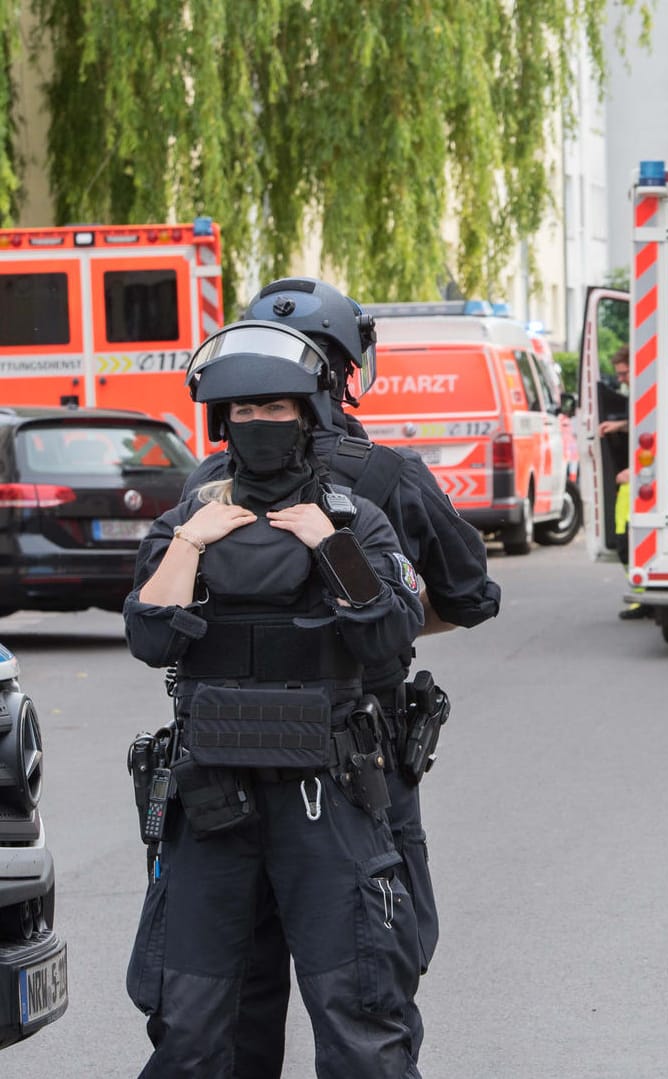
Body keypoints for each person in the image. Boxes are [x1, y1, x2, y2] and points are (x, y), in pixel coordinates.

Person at [181, 278, 501, 1074]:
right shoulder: (385, 474)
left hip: (223, 770)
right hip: (358, 765)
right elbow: (468, 596)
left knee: (225, 998)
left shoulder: (202, 485)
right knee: (368, 982)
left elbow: (165, 619)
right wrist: (364, 641)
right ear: (346, 369)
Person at [124, 320, 425, 1077]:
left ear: (309, 413)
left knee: (360, 1012)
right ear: (223, 422)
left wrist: (330, 544)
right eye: (243, 413)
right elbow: (150, 634)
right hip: (214, 794)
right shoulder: (188, 518)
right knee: (192, 1024)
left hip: (325, 792)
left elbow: (388, 632)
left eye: (276, 409)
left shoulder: (355, 517)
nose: (258, 425)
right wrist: (193, 543)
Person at [598, 346, 646, 620]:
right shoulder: (638, 392)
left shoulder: (646, 390)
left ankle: (642, 598)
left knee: (626, 540)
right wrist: (619, 426)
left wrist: (634, 470)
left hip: (634, 480)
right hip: (632, 480)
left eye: (625, 373)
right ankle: (641, 596)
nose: (621, 380)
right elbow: (641, 423)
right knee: (623, 539)